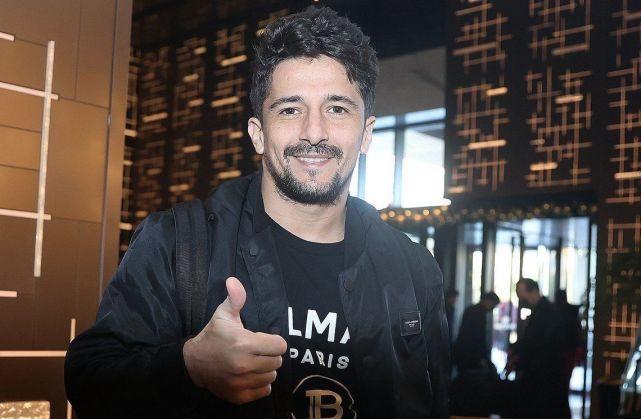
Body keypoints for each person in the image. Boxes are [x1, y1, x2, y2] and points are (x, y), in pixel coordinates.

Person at [64, 6, 449, 419]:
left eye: (337, 109)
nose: (314, 132)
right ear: (258, 134)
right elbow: (89, 379)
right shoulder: (177, 243)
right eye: (290, 109)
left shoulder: (413, 270)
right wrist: (189, 366)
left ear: (366, 133)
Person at [511, 278, 570, 419]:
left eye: (521, 295)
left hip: (543, 374)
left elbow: (537, 342)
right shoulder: (545, 310)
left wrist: (519, 353)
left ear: (532, 292)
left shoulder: (544, 312)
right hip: (545, 373)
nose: (521, 300)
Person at [454, 292, 500, 372]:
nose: (493, 308)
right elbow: (478, 337)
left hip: (464, 353)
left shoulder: (471, 310)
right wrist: (482, 357)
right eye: (493, 305)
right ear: (488, 301)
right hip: (470, 355)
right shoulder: (479, 313)